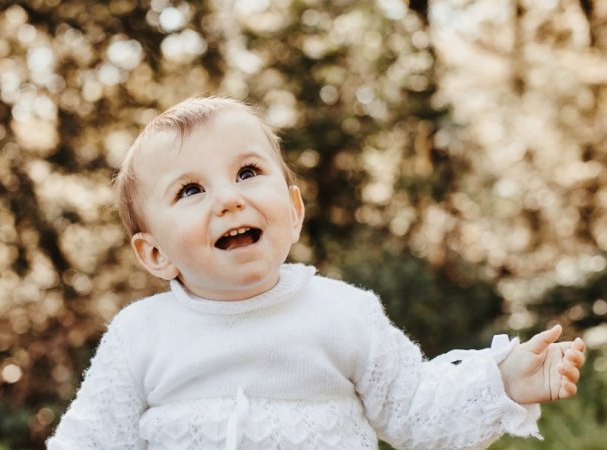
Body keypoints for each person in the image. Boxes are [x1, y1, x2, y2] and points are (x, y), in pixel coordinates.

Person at [47, 97, 586, 450]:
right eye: (191, 190)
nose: (230, 199)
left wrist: (502, 382)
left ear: (295, 209)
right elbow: (89, 439)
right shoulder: (140, 336)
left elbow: (415, 410)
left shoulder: (342, 313)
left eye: (248, 172)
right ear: (155, 254)